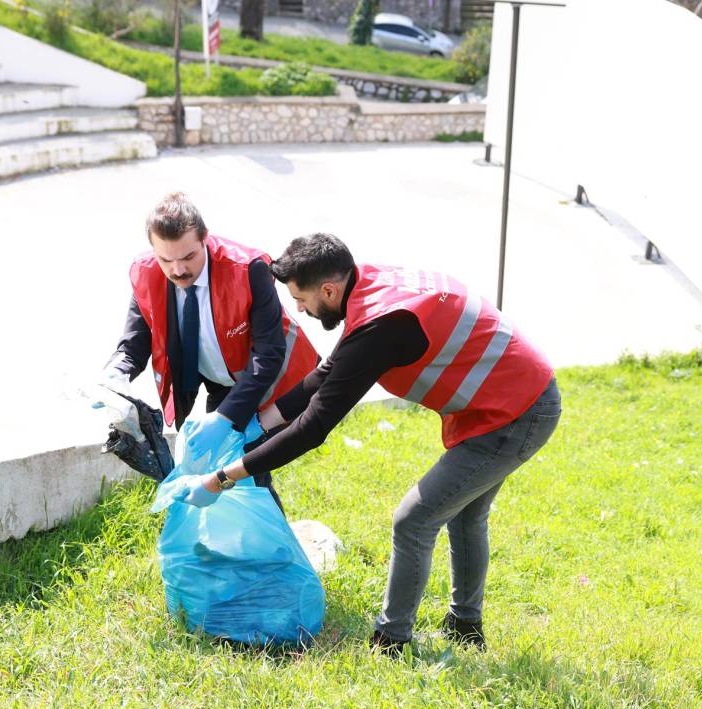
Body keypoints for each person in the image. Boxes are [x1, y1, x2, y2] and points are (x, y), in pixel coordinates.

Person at [177, 233, 561, 653]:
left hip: (517, 412)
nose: (299, 310)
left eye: (301, 299)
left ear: (329, 290)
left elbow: (313, 427)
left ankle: (390, 642)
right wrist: (254, 424)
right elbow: (327, 375)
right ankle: (465, 627)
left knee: (414, 519)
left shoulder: (381, 328)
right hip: (507, 397)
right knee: (465, 515)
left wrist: (222, 478)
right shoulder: (368, 287)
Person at [101, 193, 318, 497]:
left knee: (248, 474)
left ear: (205, 238)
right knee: (225, 478)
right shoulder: (146, 273)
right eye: (166, 260)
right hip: (221, 385)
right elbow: (135, 341)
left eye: (188, 257)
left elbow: (268, 355)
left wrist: (224, 418)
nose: (178, 270)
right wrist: (116, 373)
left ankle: (269, 530)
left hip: (273, 380)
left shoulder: (248, 269)